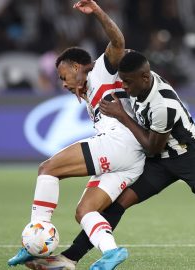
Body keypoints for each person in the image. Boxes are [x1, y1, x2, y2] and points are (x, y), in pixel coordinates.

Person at [27, 51, 195, 270]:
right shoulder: (136, 82)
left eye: (128, 82)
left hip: (187, 154)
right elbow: (123, 53)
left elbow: (150, 145)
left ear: (145, 78)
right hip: (160, 160)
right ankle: (70, 258)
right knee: (119, 203)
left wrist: (121, 115)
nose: (123, 86)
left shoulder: (162, 105)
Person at [7, 1, 145, 270]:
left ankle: (34, 237)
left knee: (48, 169)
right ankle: (112, 252)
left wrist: (96, 11)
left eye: (63, 76)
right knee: (85, 212)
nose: (64, 84)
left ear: (75, 66)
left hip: (119, 142)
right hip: (131, 161)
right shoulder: (89, 92)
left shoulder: (102, 69)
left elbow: (117, 40)